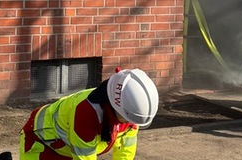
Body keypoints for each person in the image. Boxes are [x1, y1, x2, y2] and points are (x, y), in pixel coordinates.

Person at [10, 68, 158, 160]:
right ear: (114, 105)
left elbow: (126, 150)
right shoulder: (86, 114)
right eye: (125, 119)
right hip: (40, 142)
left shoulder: (130, 111)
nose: (128, 124)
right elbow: (85, 158)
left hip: (67, 148)